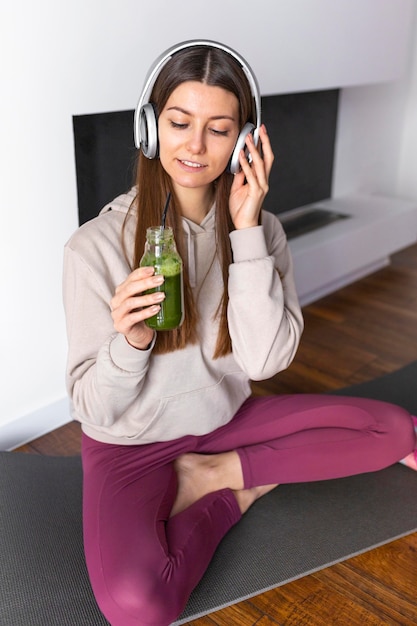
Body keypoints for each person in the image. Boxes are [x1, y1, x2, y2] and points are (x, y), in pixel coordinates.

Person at [63, 41, 416, 626]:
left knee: (394, 427)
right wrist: (130, 344)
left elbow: (264, 363)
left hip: (221, 424)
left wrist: (246, 230)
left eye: (219, 129)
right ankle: (243, 491)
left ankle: (223, 475)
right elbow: (91, 408)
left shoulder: (264, 231)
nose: (195, 147)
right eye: (178, 123)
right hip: (129, 446)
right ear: (150, 128)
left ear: (245, 140)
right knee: (136, 607)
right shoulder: (93, 248)